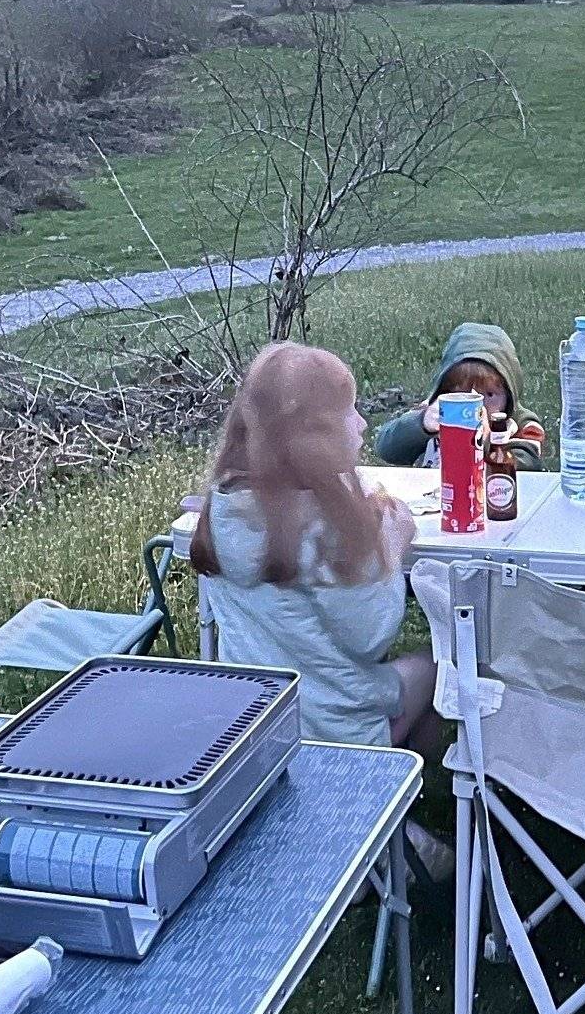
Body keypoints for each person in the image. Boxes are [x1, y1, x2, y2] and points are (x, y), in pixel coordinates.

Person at [191, 342, 443, 763]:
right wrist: (392, 541)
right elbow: (371, 636)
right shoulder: (327, 528)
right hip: (337, 729)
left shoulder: (224, 504)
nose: (362, 423)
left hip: (255, 724)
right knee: (442, 666)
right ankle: (393, 789)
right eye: (349, 412)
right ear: (312, 438)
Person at [370, 322, 546, 470]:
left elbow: (528, 466)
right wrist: (421, 425)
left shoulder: (520, 425)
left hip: (491, 498)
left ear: (509, 395)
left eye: (489, 394)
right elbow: (386, 449)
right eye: (460, 392)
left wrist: (481, 442)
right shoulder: (439, 412)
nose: (475, 401)